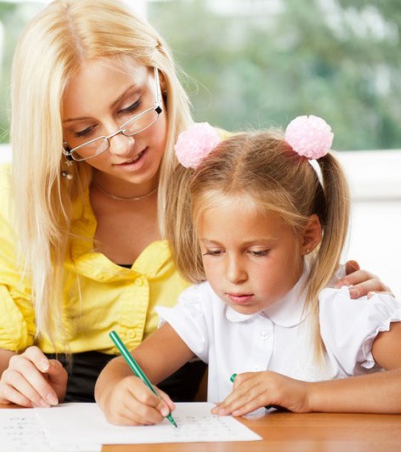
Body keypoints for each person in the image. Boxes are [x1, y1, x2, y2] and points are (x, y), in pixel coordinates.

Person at [0, 0, 389, 408]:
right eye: (84, 131)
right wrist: (15, 389)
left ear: (161, 76)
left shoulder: (228, 176)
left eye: (131, 107)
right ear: (55, 134)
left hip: (197, 405)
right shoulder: (15, 197)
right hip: (59, 407)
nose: (122, 145)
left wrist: (364, 303)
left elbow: (302, 273)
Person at [95, 116, 401, 425]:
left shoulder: (343, 305)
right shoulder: (206, 307)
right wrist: (115, 392)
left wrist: (307, 395)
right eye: (214, 251)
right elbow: (121, 369)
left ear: (307, 236)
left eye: (257, 252)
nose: (233, 274)